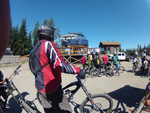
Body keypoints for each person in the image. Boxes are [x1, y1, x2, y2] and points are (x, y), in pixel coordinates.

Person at [29, 25, 85, 113]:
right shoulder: (48, 44)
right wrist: (78, 70)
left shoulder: (34, 48)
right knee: (66, 111)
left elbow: (32, 68)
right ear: (49, 34)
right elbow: (60, 65)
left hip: (40, 87)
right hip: (52, 87)